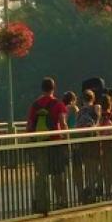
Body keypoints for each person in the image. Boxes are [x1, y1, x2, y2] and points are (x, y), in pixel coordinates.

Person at [23, 79, 69, 214]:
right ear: (53, 88)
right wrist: (67, 139)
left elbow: (29, 125)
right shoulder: (58, 104)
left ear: (42, 88)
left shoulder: (35, 105)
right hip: (55, 143)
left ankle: (41, 202)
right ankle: (60, 201)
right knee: (57, 174)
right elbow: (63, 123)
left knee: (41, 174)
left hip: (40, 144)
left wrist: (31, 140)